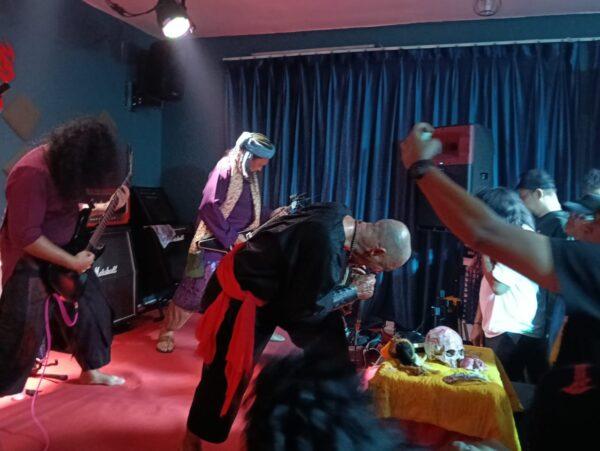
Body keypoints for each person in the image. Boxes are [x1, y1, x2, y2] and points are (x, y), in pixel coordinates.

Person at [182, 203, 412, 450]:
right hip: (243, 295)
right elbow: (302, 311)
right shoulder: (325, 242)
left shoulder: (340, 214)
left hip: (274, 292)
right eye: (382, 267)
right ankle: (192, 439)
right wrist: (353, 291)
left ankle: (328, 425)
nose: (376, 272)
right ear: (376, 251)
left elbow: (306, 270)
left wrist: (348, 271)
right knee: (225, 373)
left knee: (331, 351)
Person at [400, 123, 600, 367]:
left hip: (514, 330)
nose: (583, 223)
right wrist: (477, 322)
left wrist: (421, 166)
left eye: (594, 220)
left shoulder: (592, 264)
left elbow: (484, 234)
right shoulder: (584, 260)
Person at [0, 117, 127, 396]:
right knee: (21, 324)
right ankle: (5, 388)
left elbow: (78, 204)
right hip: (28, 255)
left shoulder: (72, 172)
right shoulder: (31, 172)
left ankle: (91, 370)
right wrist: (70, 262)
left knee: (93, 307)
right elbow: (25, 235)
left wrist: (113, 202)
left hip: (68, 245)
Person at [156, 132, 283, 353]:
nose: (261, 169)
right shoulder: (225, 168)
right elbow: (208, 207)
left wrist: (272, 214)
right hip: (210, 243)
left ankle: (255, 329)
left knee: (250, 288)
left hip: (240, 243)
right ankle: (167, 330)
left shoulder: (250, 175)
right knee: (194, 288)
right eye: (260, 164)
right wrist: (232, 237)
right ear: (248, 157)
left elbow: (249, 209)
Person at [469, 187, 548, 383]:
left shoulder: (520, 239)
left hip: (513, 330)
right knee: (497, 386)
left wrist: (484, 249)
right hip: (499, 327)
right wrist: (478, 322)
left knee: (505, 389)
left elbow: (498, 286)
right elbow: (487, 285)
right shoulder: (506, 238)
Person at [516, 169, 569, 363]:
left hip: (548, 316)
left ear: (538, 193)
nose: (522, 204)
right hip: (534, 314)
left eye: (524, 197)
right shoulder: (540, 222)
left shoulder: (561, 225)